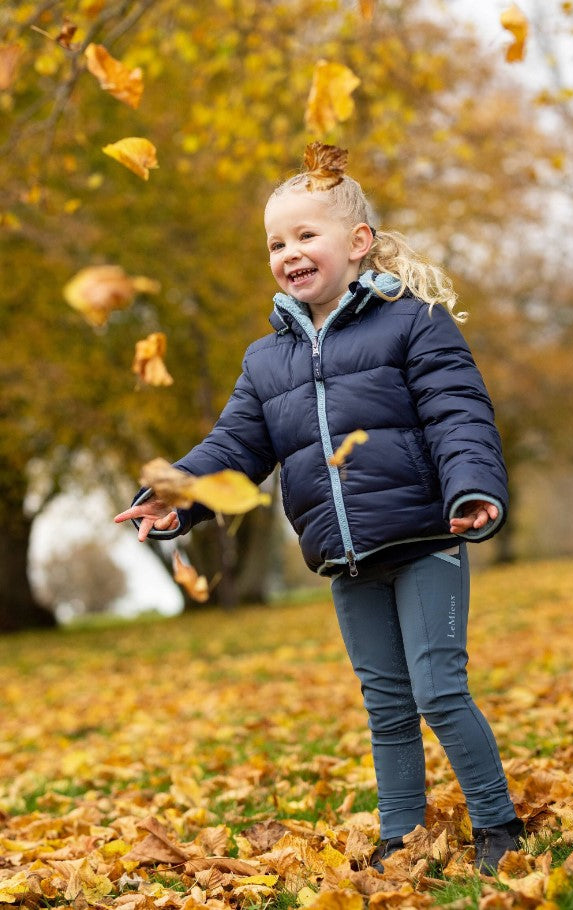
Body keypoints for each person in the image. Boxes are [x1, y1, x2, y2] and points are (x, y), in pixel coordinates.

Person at [114, 150, 524, 873]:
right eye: (276, 243)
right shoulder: (266, 361)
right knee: (386, 704)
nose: (289, 253)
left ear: (357, 242)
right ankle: (400, 838)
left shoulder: (413, 325)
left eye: (306, 236)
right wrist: (178, 498)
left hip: (423, 537)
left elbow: (458, 414)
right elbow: (235, 448)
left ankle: (497, 826)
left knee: (437, 690)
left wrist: (472, 489)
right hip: (344, 556)